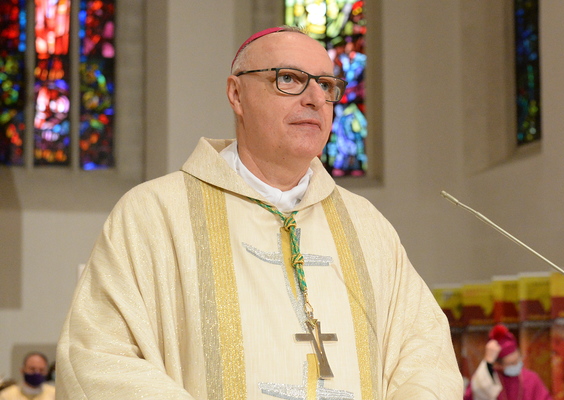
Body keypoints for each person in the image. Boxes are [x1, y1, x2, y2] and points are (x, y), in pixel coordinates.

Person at [56, 26, 462, 399]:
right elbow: (97, 356)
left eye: (325, 85)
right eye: (289, 79)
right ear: (236, 94)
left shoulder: (367, 225)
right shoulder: (154, 214)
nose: (315, 99)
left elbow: (425, 356)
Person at [464, 324, 552, 400]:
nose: (517, 365)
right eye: (511, 363)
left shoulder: (531, 379)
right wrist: (488, 360)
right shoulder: (489, 380)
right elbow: (476, 392)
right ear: (498, 365)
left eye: (517, 360)